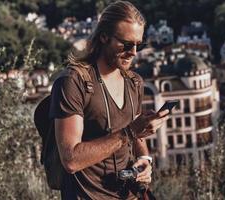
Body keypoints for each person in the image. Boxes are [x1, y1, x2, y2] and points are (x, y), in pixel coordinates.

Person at [49, 1, 169, 199]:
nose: (134, 52)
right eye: (127, 44)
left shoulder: (134, 82)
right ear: (103, 36)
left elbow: (136, 135)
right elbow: (70, 160)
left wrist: (144, 159)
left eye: (139, 44)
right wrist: (129, 132)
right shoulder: (73, 82)